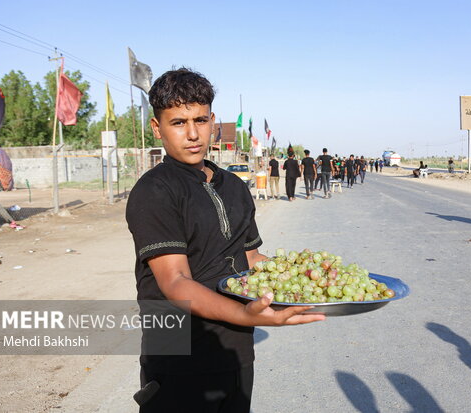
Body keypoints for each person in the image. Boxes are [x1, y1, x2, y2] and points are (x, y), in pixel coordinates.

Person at [126, 68, 324, 413]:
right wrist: (246, 314)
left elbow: (249, 258)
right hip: (178, 357)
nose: (192, 134)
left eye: (200, 120)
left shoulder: (232, 186)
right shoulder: (155, 191)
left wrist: (305, 274)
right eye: (178, 122)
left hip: (234, 353)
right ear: (157, 127)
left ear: (213, 121)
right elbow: (174, 281)